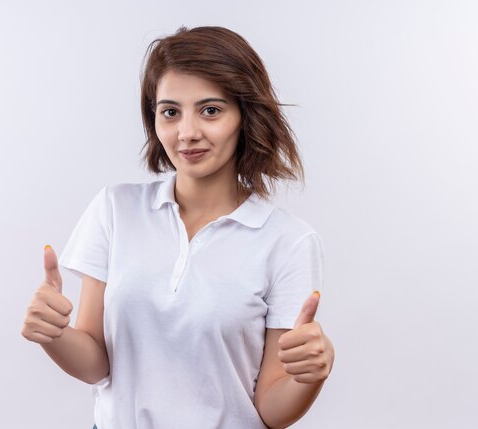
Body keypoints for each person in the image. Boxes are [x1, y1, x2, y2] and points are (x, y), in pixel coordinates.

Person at [22, 25, 335, 429]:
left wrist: (310, 375)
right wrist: (54, 335)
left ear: (245, 115)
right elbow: (97, 363)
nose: (187, 133)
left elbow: (271, 410)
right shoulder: (115, 209)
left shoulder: (288, 242)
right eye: (170, 112)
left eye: (211, 110)